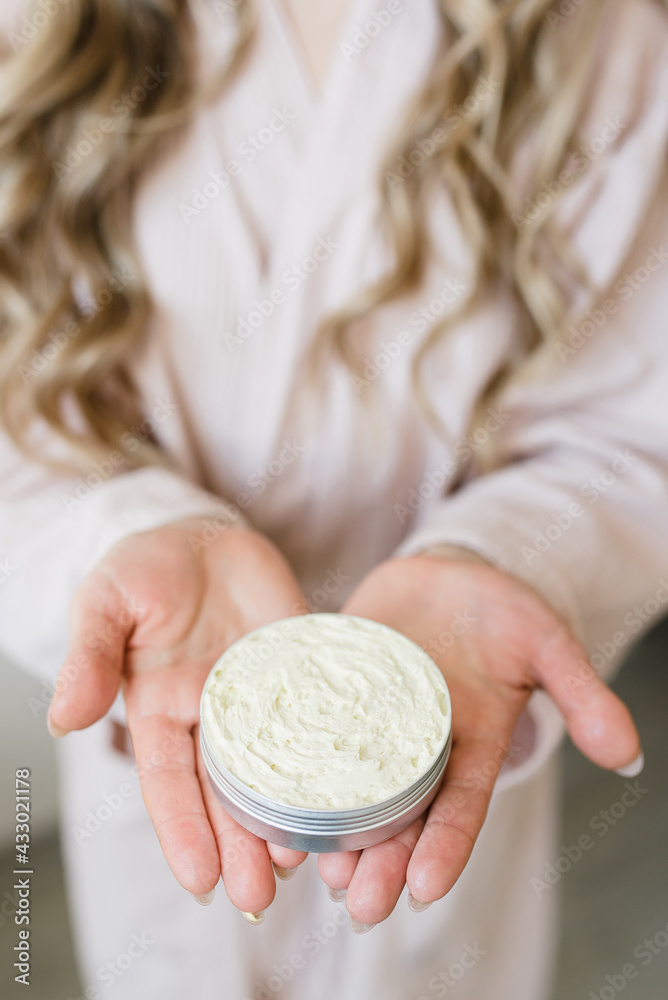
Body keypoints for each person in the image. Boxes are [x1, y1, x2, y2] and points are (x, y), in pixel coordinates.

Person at [1, 0, 667, 997]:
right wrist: (122, 527)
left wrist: (504, 556)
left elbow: (626, 425)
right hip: (168, 722)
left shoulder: (604, 33)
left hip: (447, 714)